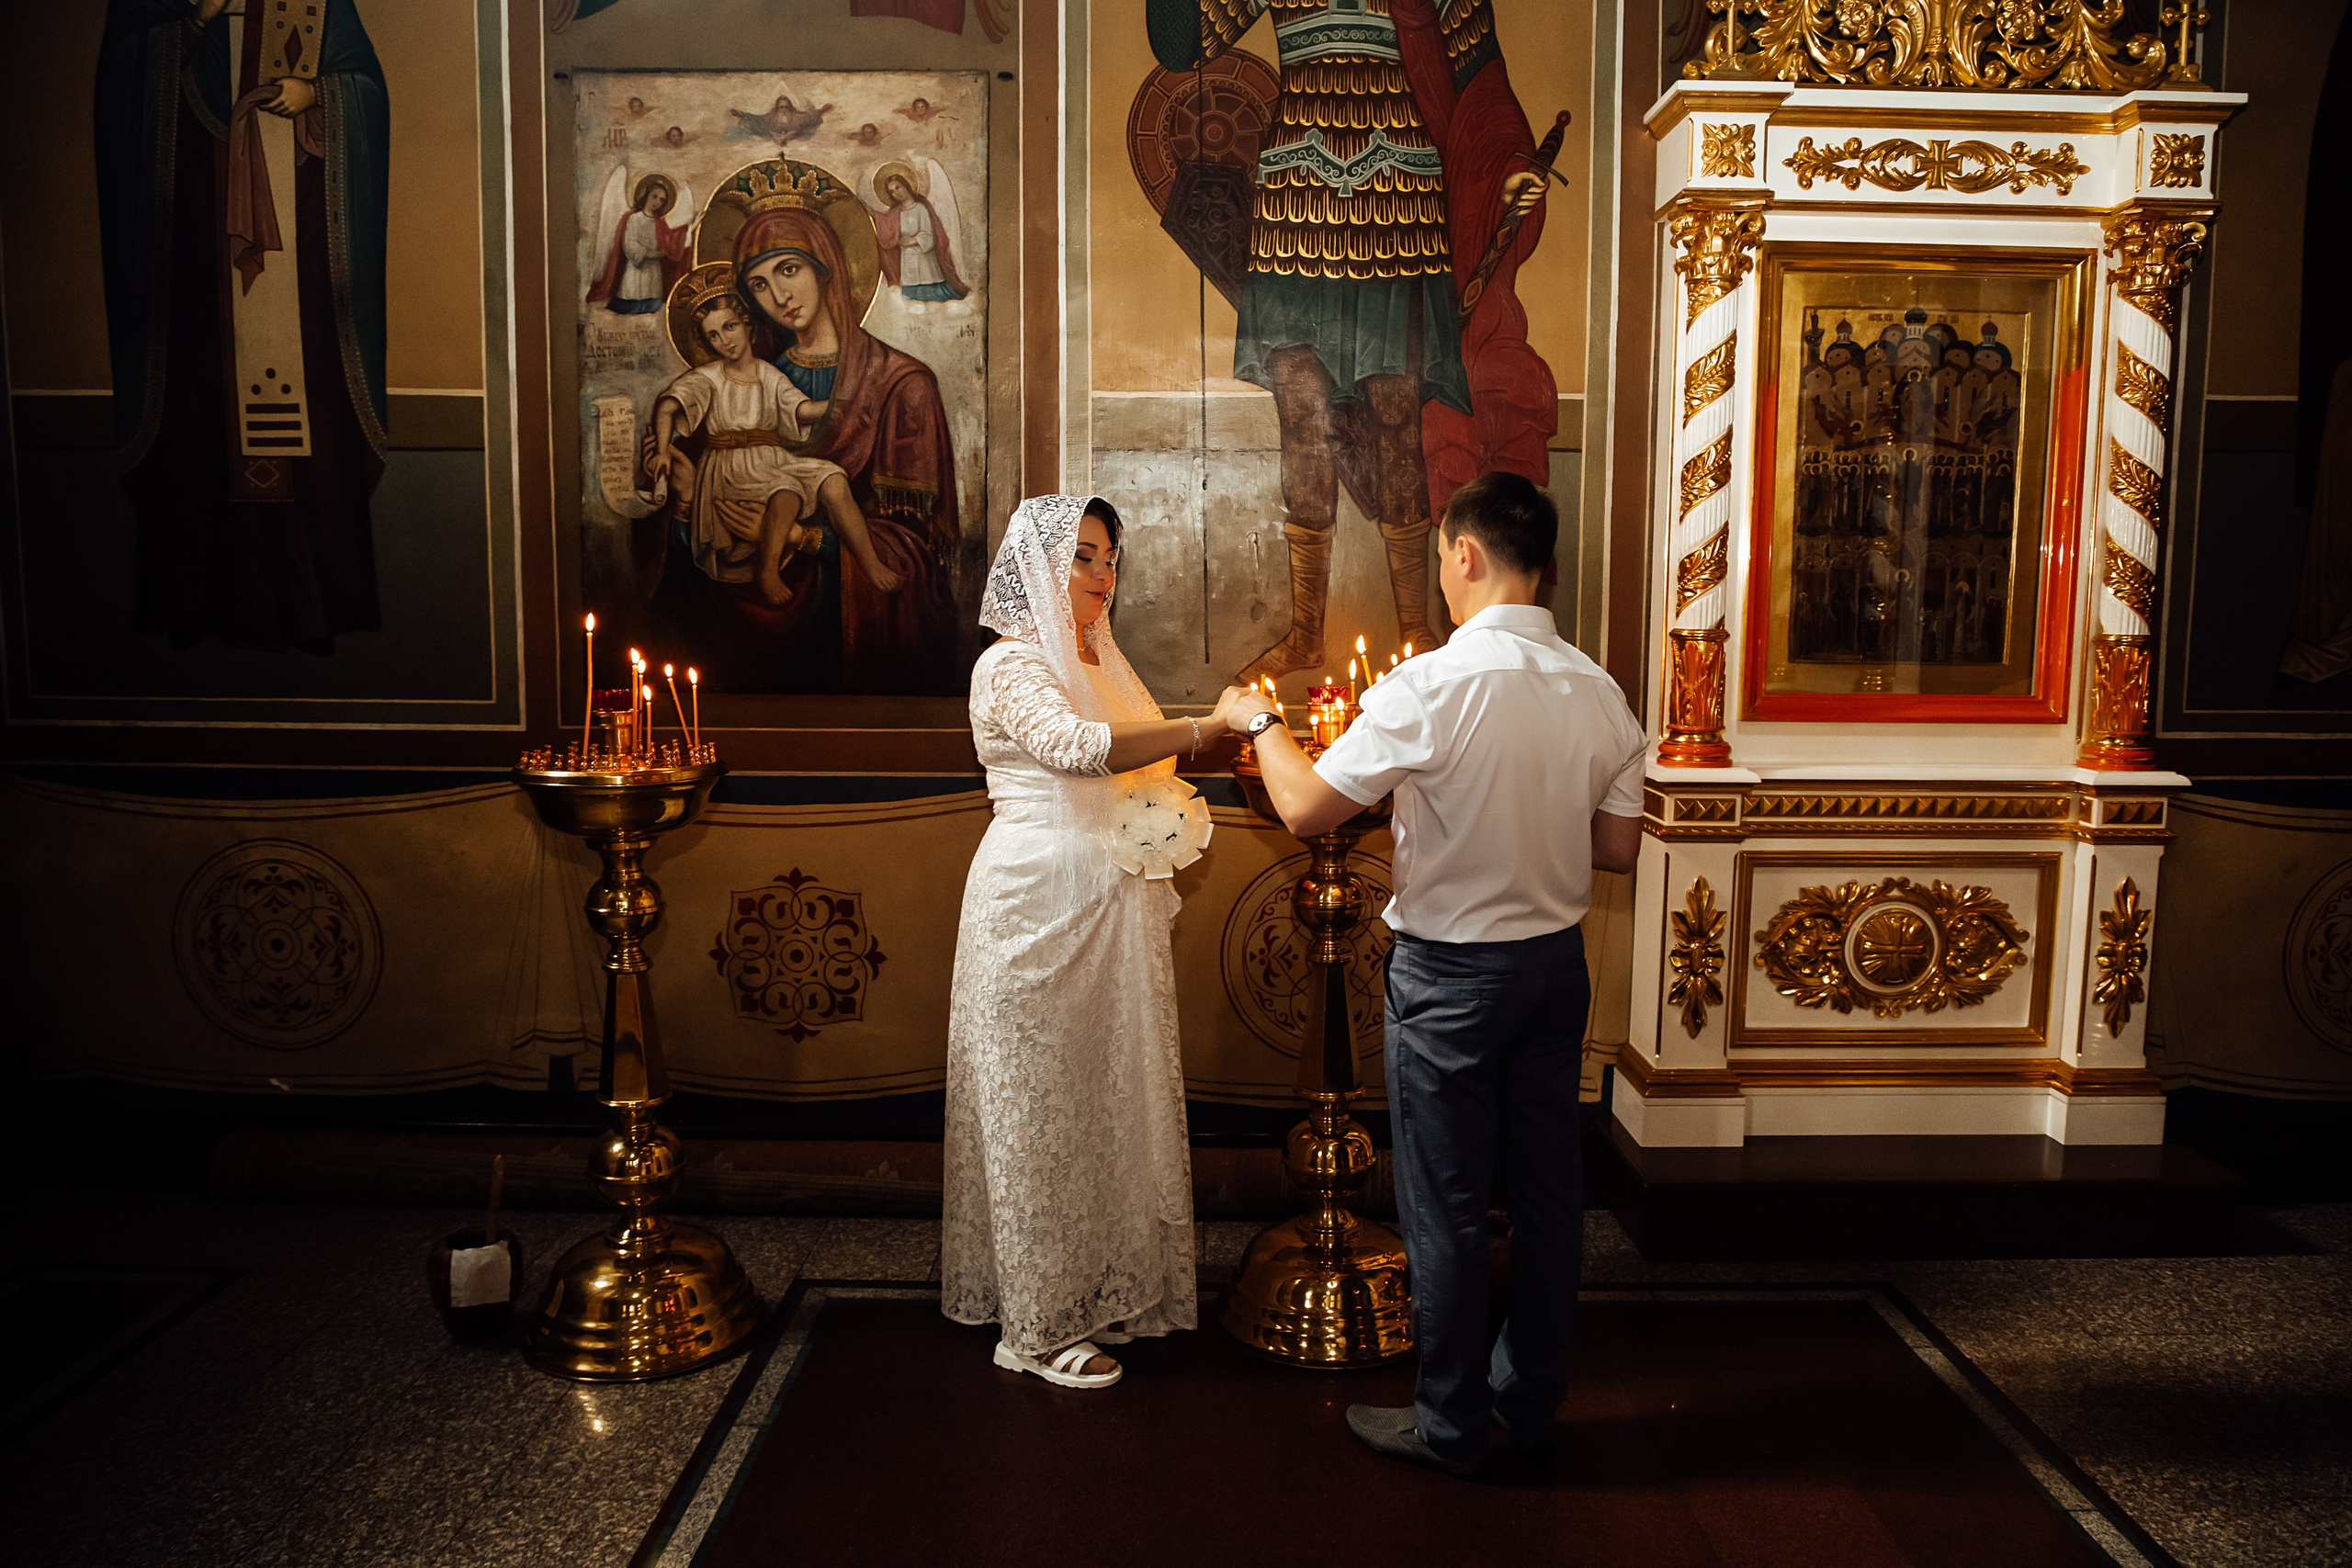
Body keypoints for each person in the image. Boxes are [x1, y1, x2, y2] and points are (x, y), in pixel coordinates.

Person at [1227, 470, 1645, 1475]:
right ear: (1542, 564)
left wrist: (1257, 724)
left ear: (1462, 554)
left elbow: (1306, 810)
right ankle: (1529, 1408)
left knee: (1447, 1207)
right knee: (1547, 1199)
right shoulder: (1600, 692)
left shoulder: (1433, 686)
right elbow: (1619, 848)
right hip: (1553, 970)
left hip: (1453, 979)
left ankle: (1452, 1425)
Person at [942, 494, 1249, 1390]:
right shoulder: (1010, 666)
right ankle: (1031, 1329)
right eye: (1081, 557)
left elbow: (1134, 760)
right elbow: (1077, 748)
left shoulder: (1100, 656)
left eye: (1109, 558)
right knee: (1037, 1110)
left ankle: (1099, 1290)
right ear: (1037, 564)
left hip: (1108, 906)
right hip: (1034, 905)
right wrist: (1208, 727)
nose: (1101, 575)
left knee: (1100, 1104)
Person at [650, 277, 904, 607]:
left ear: (746, 324)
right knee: (787, 492)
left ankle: (870, 562)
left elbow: (800, 409)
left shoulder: (768, 374)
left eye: (729, 327)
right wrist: (660, 450)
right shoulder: (707, 378)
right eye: (713, 335)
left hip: (771, 460)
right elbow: (668, 406)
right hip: (731, 466)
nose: (724, 340)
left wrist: (841, 404)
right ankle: (767, 571)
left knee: (833, 479)